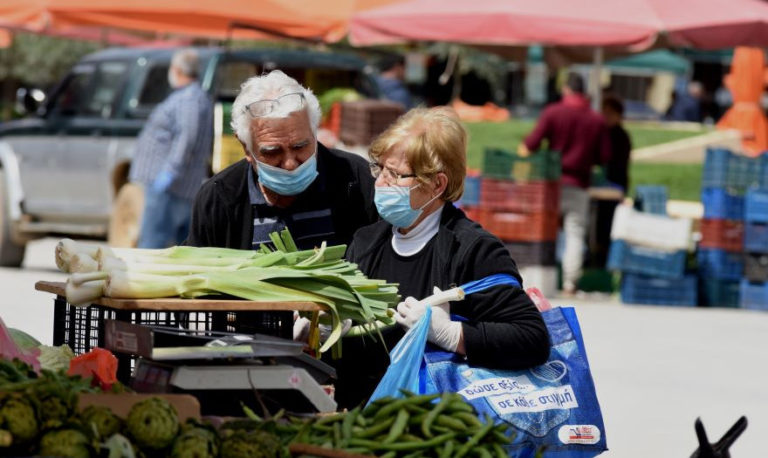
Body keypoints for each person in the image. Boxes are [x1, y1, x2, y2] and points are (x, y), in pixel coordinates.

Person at [332, 107, 550, 409]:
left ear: (437, 184)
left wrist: (451, 335)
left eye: (396, 175)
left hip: (431, 424)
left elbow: (532, 338)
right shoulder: (367, 241)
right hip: (362, 421)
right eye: (381, 169)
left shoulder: (473, 250)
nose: (380, 183)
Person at [185, 70, 378, 333]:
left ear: (315, 133)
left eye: (301, 146)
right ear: (247, 150)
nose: (289, 163)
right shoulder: (219, 198)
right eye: (272, 152)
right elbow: (201, 290)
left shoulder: (354, 180)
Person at [520, 72, 610, 295]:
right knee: (575, 233)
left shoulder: (553, 112)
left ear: (567, 89)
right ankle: (570, 283)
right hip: (579, 184)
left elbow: (531, 143)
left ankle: (538, 279)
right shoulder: (596, 119)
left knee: (544, 230)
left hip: (551, 186)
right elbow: (605, 156)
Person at [129, 49, 213, 248]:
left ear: (176, 70)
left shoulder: (189, 99)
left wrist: (169, 173)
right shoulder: (190, 96)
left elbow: (187, 138)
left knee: (153, 244)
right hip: (172, 186)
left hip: (171, 188)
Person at [602, 94, 631, 192]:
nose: (606, 116)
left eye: (610, 113)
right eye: (604, 112)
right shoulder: (603, 132)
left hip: (615, 183)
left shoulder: (621, 136)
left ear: (619, 116)